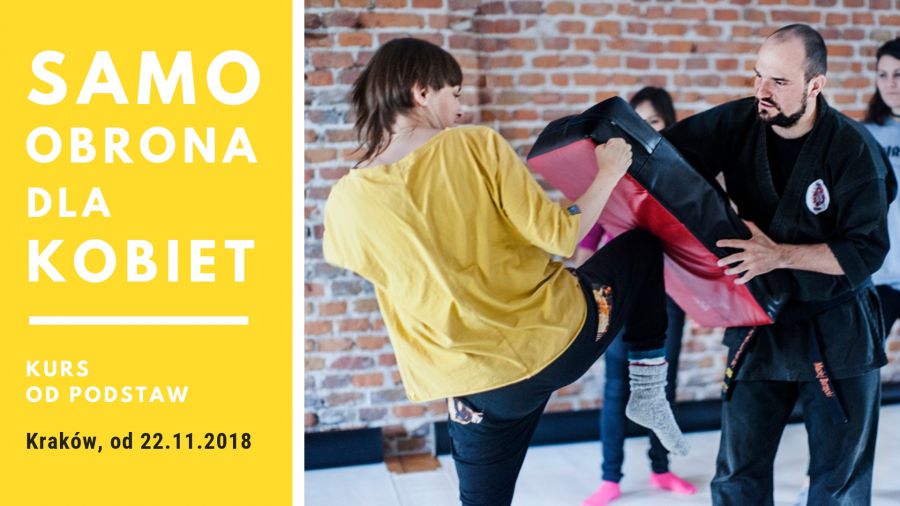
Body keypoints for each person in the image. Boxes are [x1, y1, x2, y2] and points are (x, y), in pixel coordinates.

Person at [322, 37, 688, 506]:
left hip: (470, 386)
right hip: (555, 338)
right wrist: (608, 171)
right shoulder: (474, 144)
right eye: (454, 93)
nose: (460, 108)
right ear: (421, 92)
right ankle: (650, 391)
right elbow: (561, 235)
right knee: (642, 245)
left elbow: (358, 262)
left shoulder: (347, 198)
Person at [663, 24, 896, 505]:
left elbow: (867, 250)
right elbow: (667, 157)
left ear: (815, 85)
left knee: (839, 482)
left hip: (837, 327)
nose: (762, 91)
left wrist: (778, 254)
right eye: (758, 75)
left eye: (780, 82)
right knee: (737, 475)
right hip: (761, 320)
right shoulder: (739, 121)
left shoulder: (853, 148)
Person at [579, 87, 696, 506]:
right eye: (639, 122)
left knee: (660, 389)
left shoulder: (680, 179)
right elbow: (587, 238)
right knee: (617, 388)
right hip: (620, 296)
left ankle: (661, 469)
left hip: (668, 297)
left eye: (655, 122)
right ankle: (610, 478)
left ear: (668, 126)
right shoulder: (613, 176)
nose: (647, 129)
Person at [864, 37, 900, 333]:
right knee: (868, 355)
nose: (890, 84)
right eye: (883, 75)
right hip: (879, 275)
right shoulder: (864, 135)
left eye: (899, 74)